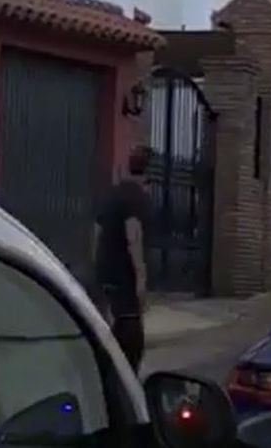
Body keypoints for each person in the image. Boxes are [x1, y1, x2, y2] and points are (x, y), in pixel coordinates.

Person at [94, 147, 151, 372]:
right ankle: (126, 379)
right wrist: (140, 279)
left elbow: (96, 230)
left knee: (110, 321)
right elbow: (133, 235)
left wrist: (97, 263)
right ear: (148, 174)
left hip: (106, 269)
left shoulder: (112, 195)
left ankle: (106, 367)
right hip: (124, 274)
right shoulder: (137, 198)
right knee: (130, 329)